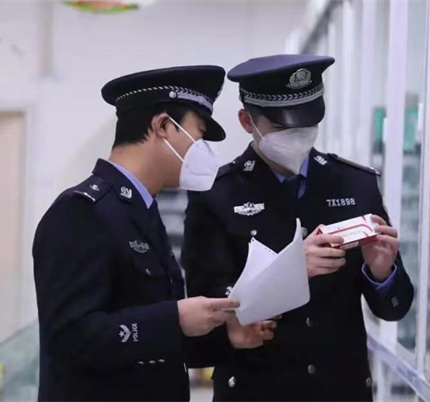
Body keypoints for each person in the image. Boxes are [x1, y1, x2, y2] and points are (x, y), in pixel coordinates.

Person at [32, 66, 274, 402]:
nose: (204, 151)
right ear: (163, 127)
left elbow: (149, 344)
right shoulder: (81, 212)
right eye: (199, 136)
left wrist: (226, 335)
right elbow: (69, 336)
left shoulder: (141, 211)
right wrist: (174, 319)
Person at [181, 54, 414, 401]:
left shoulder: (355, 184)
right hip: (258, 389)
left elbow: (394, 308)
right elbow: (209, 309)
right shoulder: (217, 195)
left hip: (340, 390)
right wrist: (290, 270)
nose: (298, 137)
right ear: (247, 121)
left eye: (306, 125)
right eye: (282, 127)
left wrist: (382, 274)